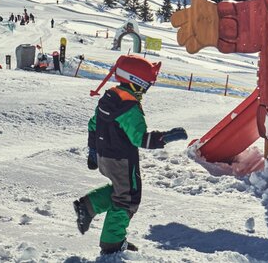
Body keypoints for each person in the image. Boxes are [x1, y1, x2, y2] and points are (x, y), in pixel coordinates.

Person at [73, 55, 187, 255]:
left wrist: (93, 151)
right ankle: (112, 244)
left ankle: (89, 206)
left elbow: (93, 125)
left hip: (105, 157)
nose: (146, 90)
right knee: (127, 199)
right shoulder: (129, 107)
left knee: (120, 190)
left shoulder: (110, 98)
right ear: (136, 82)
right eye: (146, 86)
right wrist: (167, 137)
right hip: (122, 161)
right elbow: (140, 139)